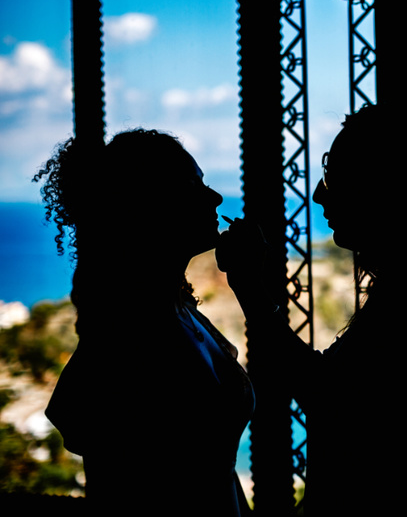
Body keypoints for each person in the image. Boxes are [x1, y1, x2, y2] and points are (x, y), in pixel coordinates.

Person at [218, 101, 407, 516]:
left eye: (337, 174)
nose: (320, 193)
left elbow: (330, 397)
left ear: (390, 188)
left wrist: (252, 293)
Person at [36, 129, 254, 516]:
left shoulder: (179, 310)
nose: (215, 197)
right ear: (149, 204)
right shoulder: (128, 334)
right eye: (194, 184)